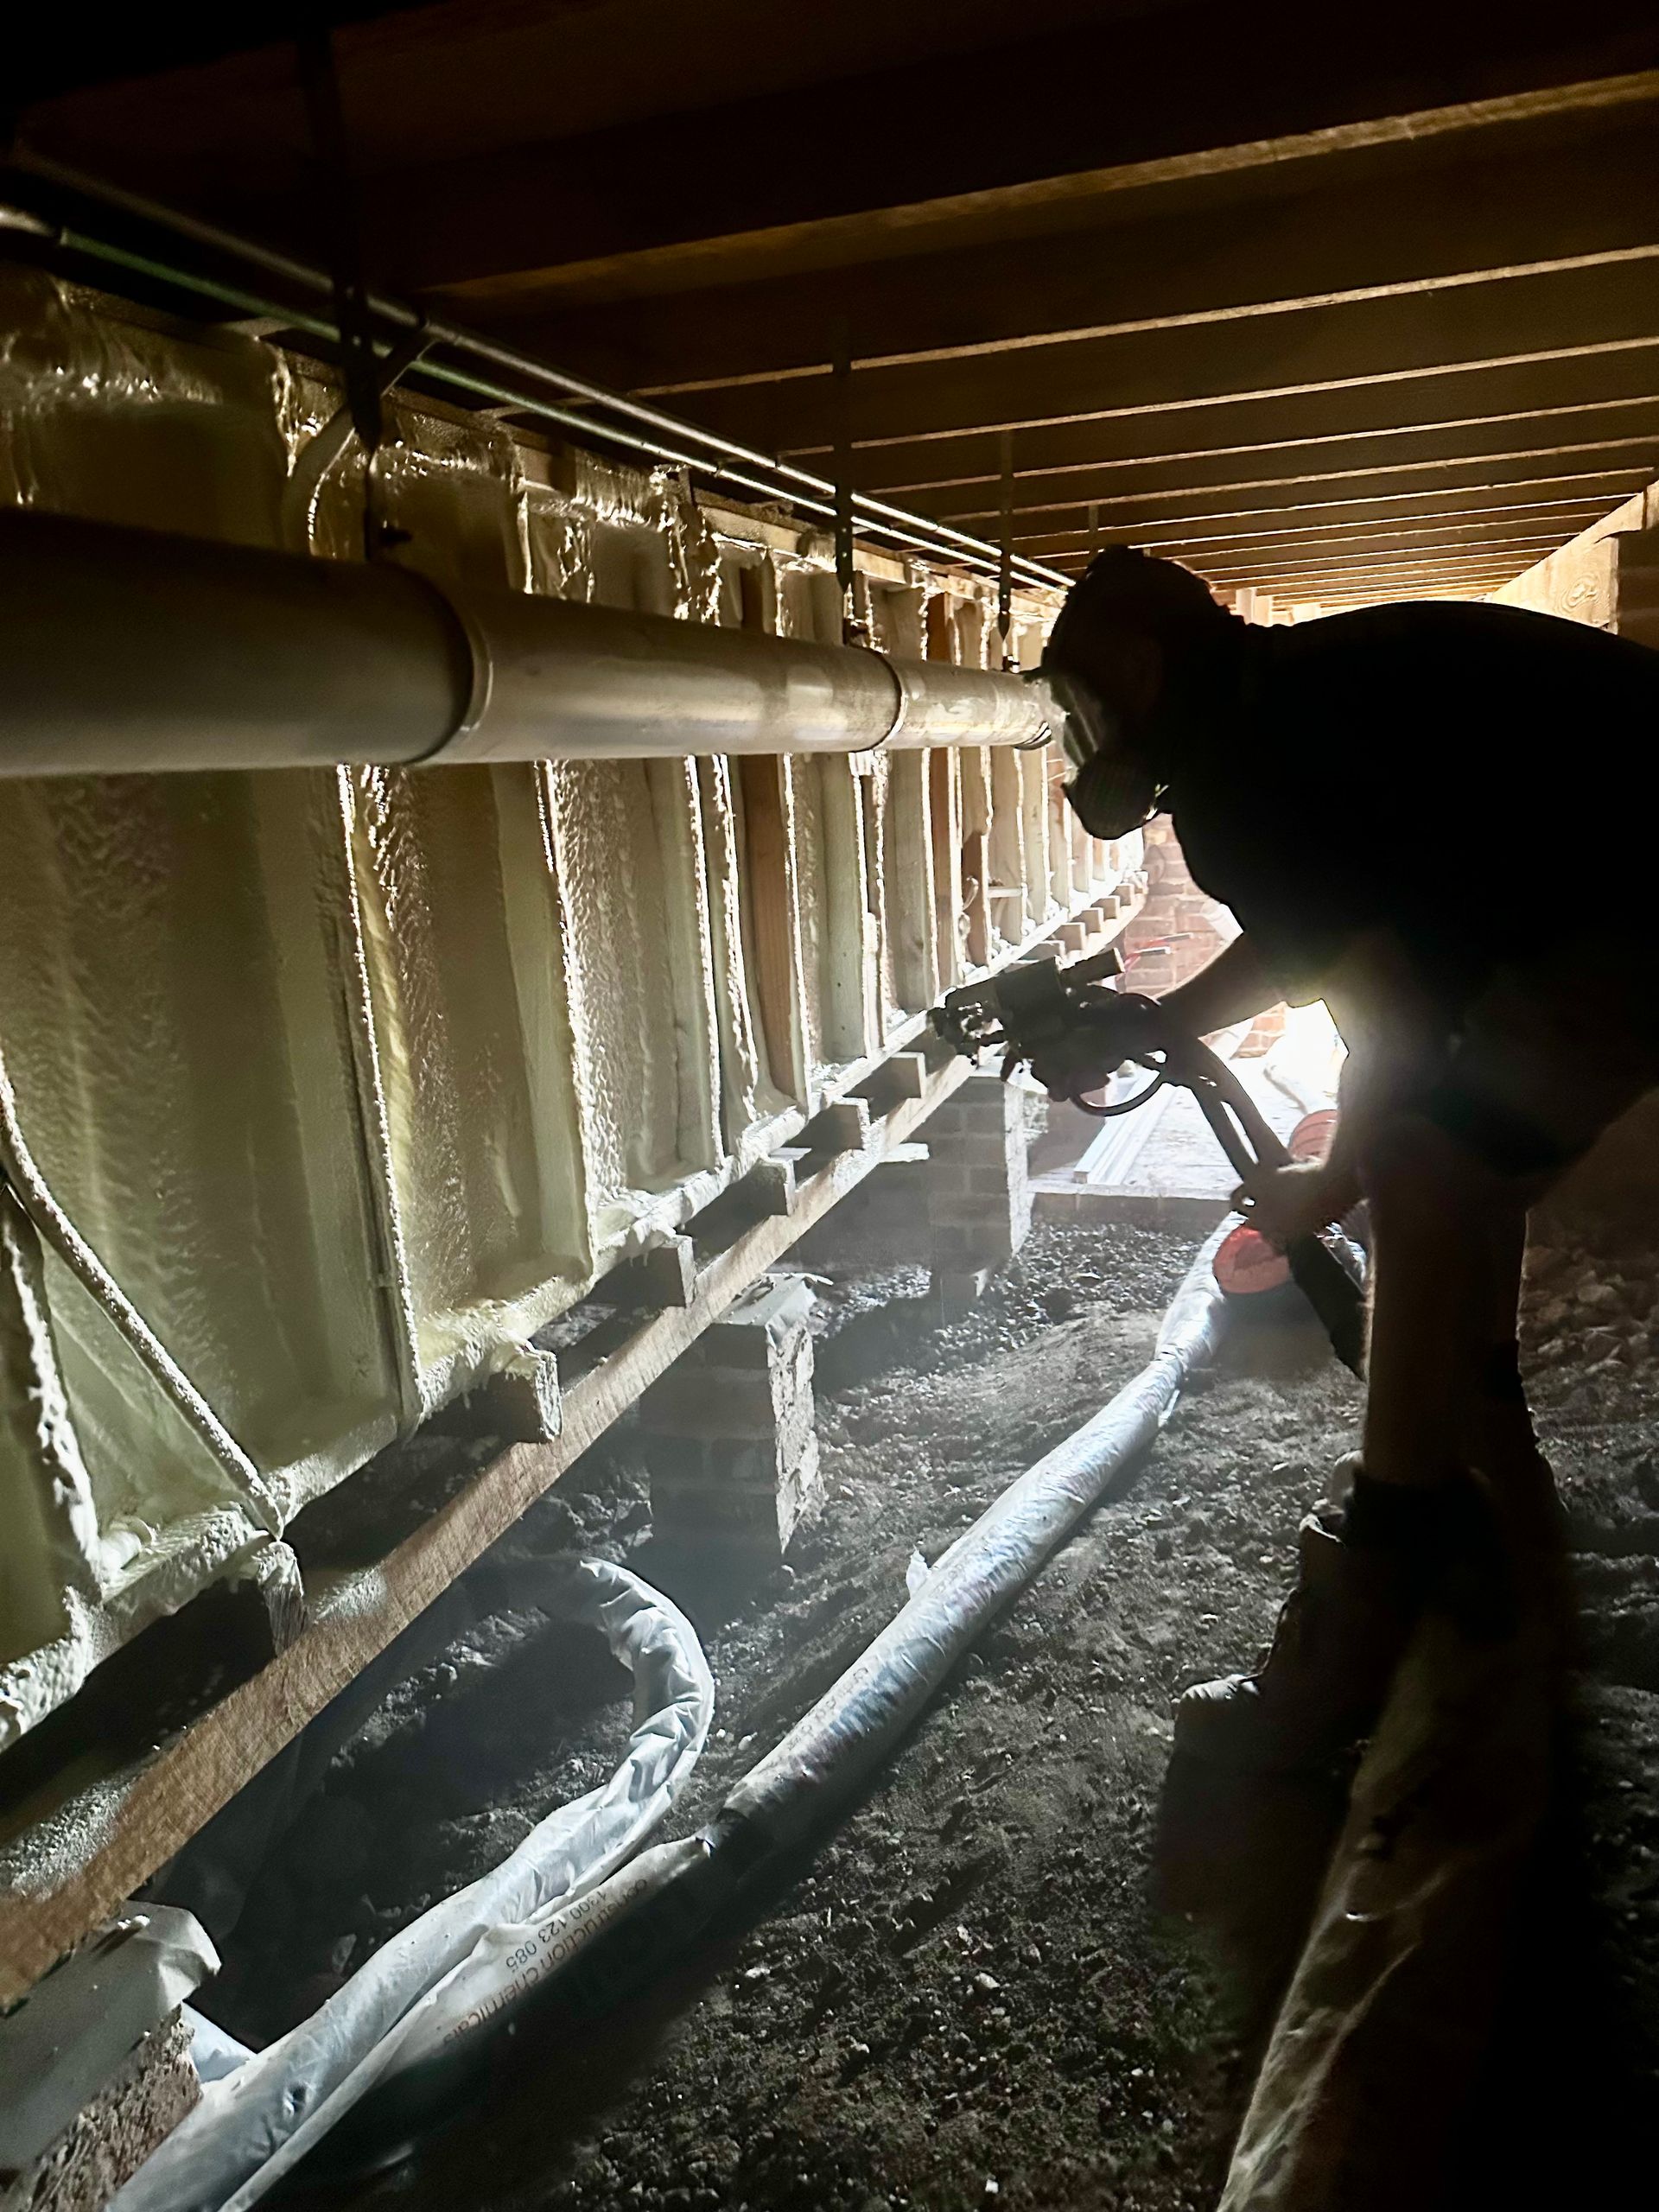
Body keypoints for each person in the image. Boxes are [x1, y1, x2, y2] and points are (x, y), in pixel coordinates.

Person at [1032, 548, 1659, 1773]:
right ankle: (1500, 1477)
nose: (1081, 735)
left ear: (1142, 670)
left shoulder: (1244, 776)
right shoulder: (1274, 713)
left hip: (1638, 915)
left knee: (1421, 1167)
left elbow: (1389, 1022)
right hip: (1614, 897)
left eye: (1084, 705)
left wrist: (1330, 1184)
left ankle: (1370, 1602)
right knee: (1451, 1161)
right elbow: (1313, 939)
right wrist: (1159, 1024)